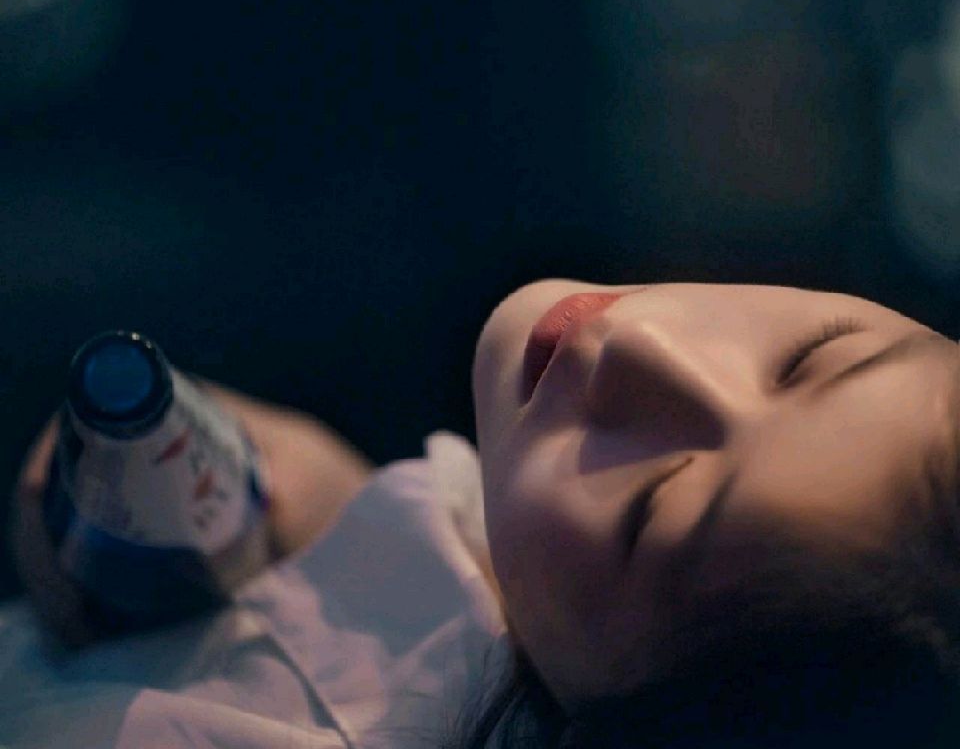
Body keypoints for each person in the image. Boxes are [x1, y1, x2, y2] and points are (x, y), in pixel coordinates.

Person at [5, 279, 960, 747]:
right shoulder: (504, 574)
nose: (651, 353)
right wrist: (344, 525)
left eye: (654, 505)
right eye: (820, 353)